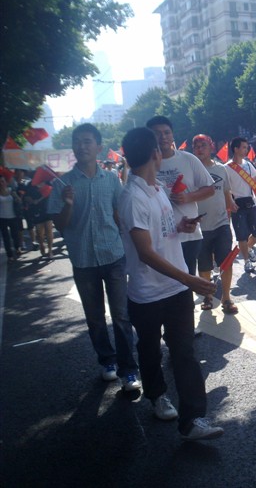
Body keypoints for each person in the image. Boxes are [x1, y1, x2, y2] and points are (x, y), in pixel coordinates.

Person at [117, 127, 222, 441]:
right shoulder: (132, 197)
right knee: (149, 350)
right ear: (155, 154)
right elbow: (145, 252)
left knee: (184, 352)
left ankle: (192, 420)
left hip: (176, 290)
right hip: (148, 294)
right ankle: (157, 395)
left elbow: (162, 229)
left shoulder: (157, 189)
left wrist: (181, 225)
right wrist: (189, 279)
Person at [47, 123, 140, 391]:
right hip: (83, 259)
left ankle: (129, 370)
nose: (82, 146)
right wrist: (67, 204)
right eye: (77, 141)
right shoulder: (62, 183)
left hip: (113, 255)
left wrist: (132, 246)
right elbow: (60, 224)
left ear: (98, 147)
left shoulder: (111, 180)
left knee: (121, 315)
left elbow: (119, 214)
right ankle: (107, 361)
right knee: (95, 317)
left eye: (87, 141)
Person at [146, 116, 215, 274]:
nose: (163, 137)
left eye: (167, 132)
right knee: (165, 282)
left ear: (172, 135)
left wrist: (188, 197)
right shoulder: (144, 164)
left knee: (187, 280)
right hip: (159, 238)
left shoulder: (188, 159)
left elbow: (210, 189)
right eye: (157, 133)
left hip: (188, 235)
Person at [191, 134, 238, 313]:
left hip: (221, 224)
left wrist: (231, 208)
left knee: (226, 263)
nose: (199, 149)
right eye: (196, 146)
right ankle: (208, 297)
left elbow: (226, 193)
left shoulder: (221, 169)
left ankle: (226, 298)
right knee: (204, 265)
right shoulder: (191, 171)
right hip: (199, 227)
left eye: (203, 145)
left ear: (211, 147)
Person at [224, 136, 256, 273]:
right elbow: (225, 188)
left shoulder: (248, 165)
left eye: (247, 147)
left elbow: (255, 182)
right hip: (238, 205)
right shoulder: (226, 167)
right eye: (243, 147)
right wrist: (230, 202)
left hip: (251, 203)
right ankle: (246, 261)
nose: (246, 150)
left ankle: (248, 248)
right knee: (241, 235)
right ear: (235, 149)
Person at [0, 176, 23, 261]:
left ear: (6, 182)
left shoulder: (11, 191)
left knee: (15, 235)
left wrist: (16, 197)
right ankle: (9, 255)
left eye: (3, 181)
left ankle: (17, 248)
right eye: (0, 182)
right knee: (6, 237)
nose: (1, 183)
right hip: (2, 218)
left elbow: (19, 201)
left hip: (13, 216)